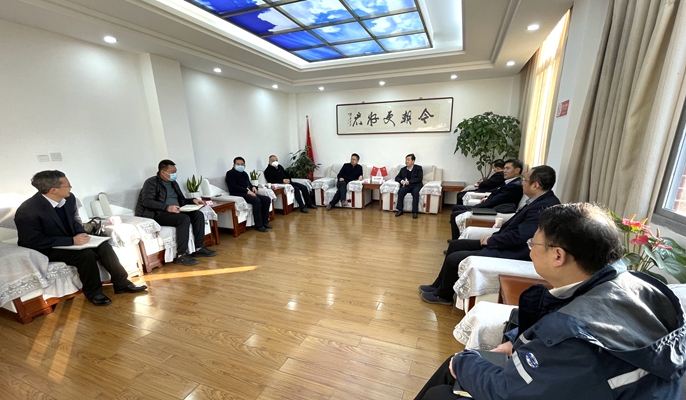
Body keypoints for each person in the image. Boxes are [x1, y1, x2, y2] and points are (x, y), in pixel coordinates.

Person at [414, 203, 686, 400]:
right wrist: (514, 342)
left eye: (534, 244)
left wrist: (464, 362)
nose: (531, 250)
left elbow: (508, 392)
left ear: (558, 256)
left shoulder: (573, 335)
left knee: (444, 390)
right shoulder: (632, 283)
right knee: (455, 368)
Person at [420, 166, 559, 305]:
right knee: (455, 245)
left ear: (535, 185)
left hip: (512, 251)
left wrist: (492, 240)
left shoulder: (543, 207)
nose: (522, 182)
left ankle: (443, 295)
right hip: (503, 242)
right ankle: (437, 285)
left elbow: (520, 237)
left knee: (454, 258)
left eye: (525, 180)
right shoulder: (538, 201)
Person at [15, 171, 147, 306]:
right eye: (67, 185)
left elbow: (74, 220)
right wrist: (71, 241)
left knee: (104, 245)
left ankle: (122, 283)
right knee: (86, 254)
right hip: (47, 247)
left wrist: (81, 234)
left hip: (71, 241)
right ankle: (94, 293)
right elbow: (31, 241)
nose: (71, 187)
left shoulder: (69, 198)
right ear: (53, 190)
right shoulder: (28, 210)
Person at [135, 159, 216, 266]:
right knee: (184, 219)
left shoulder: (173, 183)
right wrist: (167, 207)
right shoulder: (151, 182)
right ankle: (181, 255)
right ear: (163, 172)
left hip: (176, 211)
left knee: (198, 214)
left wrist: (193, 200)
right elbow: (147, 201)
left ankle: (199, 248)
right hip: (157, 214)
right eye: (172, 172)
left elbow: (181, 200)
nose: (175, 174)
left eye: (175, 172)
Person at [449, 158, 524, 240]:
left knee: (455, 214)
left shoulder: (514, 185)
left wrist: (474, 208)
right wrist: (486, 198)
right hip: (492, 205)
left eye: (507, 168)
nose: (504, 171)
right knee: (456, 208)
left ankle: (456, 241)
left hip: (494, 209)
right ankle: (456, 239)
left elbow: (494, 201)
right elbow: (497, 195)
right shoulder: (510, 182)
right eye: (504, 168)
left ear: (517, 170)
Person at [226, 156, 271, 232]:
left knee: (266, 199)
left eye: (242, 164)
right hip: (237, 193)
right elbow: (233, 186)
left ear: (244, 165)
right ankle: (259, 225)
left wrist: (253, 187)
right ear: (233, 165)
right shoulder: (230, 174)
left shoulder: (244, 174)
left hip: (248, 192)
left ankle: (265, 222)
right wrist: (247, 191)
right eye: (238, 164)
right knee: (256, 200)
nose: (240, 166)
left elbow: (248, 184)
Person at [395, 153, 424, 219]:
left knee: (415, 192)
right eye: (406, 160)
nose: (406, 161)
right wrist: (401, 181)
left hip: (416, 185)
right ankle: (400, 210)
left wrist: (409, 182)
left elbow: (419, 178)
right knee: (401, 191)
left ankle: (415, 211)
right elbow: (397, 177)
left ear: (413, 161)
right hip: (407, 186)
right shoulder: (403, 169)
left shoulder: (418, 168)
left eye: (408, 160)